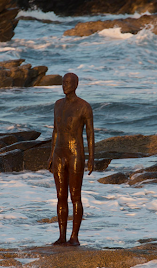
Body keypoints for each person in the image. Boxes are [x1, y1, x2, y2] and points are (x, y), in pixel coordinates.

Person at [47, 72, 95, 246]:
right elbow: (55, 131)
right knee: (60, 196)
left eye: (68, 83)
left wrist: (91, 158)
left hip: (76, 154)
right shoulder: (57, 104)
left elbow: (90, 134)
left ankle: (74, 237)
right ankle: (61, 237)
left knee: (75, 196)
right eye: (63, 82)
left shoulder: (84, 107)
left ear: (76, 85)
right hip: (59, 154)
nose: (64, 85)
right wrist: (51, 155)